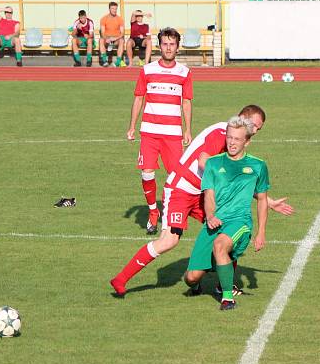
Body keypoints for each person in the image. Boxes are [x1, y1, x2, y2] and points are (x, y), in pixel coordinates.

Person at [110, 105, 293, 297]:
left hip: (203, 193)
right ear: (243, 118)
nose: (255, 131)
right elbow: (203, 161)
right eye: (254, 126)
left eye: (258, 129)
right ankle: (121, 279)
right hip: (181, 189)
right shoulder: (222, 132)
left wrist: (268, 201)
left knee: (228, 227)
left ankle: (221, 285)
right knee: (168, 241)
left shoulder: (234, 138)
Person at [182, 116, 271, 311]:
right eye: (229, 137)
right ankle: (199, 281)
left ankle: (227, 298)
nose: (231, 142)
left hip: (240, 221)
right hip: (214, 222)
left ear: (247, 141)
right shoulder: (213, 164)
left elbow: (263, 199)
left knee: (220, 245)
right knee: (191, 278)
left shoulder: (258, 166)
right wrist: (211, 216)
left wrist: (261, 232)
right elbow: (209, 195)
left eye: (237, 139)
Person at [126, 27, 192, 235]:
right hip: (150, 132)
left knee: (176, 177)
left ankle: (172, 214)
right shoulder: (147, 70)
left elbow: (187, 102)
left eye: (172, 44)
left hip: (173, 134)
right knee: (147, 173)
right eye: (165, 44)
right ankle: (153, 212)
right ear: (159, 46)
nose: (168, 48)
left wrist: (188, 129)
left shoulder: (184, 72)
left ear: (177, 47)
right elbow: (138, 98)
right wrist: (132, 127)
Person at [99, 1, 125, 67]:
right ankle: (105, 61)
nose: (114, 10)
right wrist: (106, 38)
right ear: (109, 9)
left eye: (115, 9)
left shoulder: (120, 19)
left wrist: (115, 38)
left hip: (116, 39)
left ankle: (118, 62)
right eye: (113, 8)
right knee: (101, 40)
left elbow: (122, 33)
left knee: (122, 40)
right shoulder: (104, 18)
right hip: (107, 39)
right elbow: (102, 32)